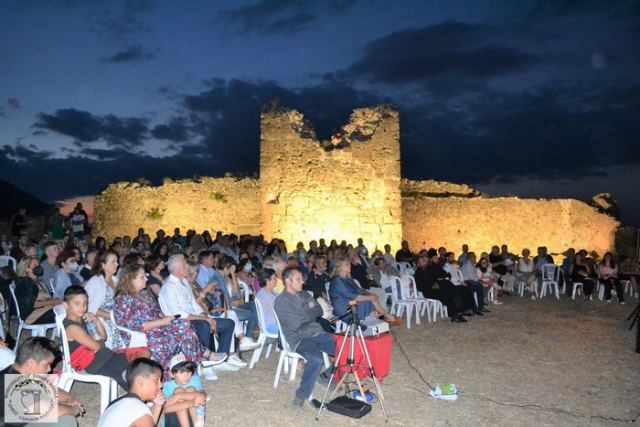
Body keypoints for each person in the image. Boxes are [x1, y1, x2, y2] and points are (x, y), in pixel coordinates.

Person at [113, 265, 226, 380]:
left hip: (156, 329)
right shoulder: (124, 299)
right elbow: (137, 326)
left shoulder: (142, 294)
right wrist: (163, 321)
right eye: (142, 277)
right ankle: (202, 358)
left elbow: (155, 313)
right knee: (184, 331)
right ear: (130, 280)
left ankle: (194, 366)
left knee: (185, 324)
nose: (146, 279)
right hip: (143, 335)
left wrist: (166, 318)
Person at [274, 267, 336, 408]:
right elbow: (295, 324)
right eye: (298, 279)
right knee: (316, 358)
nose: (302, 281)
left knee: (345, 348)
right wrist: (307, 311)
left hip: (316, 332)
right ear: (288, 281)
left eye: (301, 279)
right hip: (299, 338)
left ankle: (327, 376)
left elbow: (319, 310)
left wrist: (303, 313)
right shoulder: (281, 301)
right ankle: (302, 394)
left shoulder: (304, 294)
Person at [0, 337, 84, 427]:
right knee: (66, 421)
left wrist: (69, 399)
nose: (49, 369)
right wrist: (74, 409)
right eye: (47, 364)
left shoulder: (17, 372)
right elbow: (47, 410)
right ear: (30, 364)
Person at [62, 286, 130, 390]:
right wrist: (100, 343)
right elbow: (98, 346)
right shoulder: (72, 327)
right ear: (66, 305)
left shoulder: (82, 319)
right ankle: (139, 394)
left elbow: (103, 337)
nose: (82, 307)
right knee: (126, 372)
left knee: (133, 364)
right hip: (92, 363)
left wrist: (97, 321)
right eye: (77, 304)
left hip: (102, 356)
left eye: (85, 303)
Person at [97, 358, 166, 427]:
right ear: (140, 381)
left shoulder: (118, 403)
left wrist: (157, 406)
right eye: (157, 380)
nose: (161, 385)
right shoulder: (139, 409)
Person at [329, 258, 401, 324]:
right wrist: (369, 297)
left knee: (369, 298)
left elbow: (359, 290)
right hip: (343, 305)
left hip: (351, 301)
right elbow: (351, 295)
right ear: (340, 267)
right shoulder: (337, 280)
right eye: (347, 265)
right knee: (368, 299)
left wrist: (371, 295)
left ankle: (374, 321)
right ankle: (381, 317)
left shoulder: (348, 279)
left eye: (349, 264)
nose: (350, 265)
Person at [84, 250, 125, 350]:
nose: (117, 264)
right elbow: (87, 308)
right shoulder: (96, 282)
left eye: (117, 261)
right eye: (113, 262)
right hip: (103, 321)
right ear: (103, 264)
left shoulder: (115, 280)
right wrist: (112, 316)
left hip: (116, 317)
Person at [414, 251, 468, 322]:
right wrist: (432, 287)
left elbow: (435, 278)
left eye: (425, 260)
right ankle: (454, 315)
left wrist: (438, 283)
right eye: (422, 261)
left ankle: (459, 311)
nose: (424, 262)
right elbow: (420, 287)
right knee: (447, 293)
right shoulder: (418, 273)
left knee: (451, 288)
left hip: (435, 288)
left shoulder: (428, 269)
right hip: (428, 291)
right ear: (418, 264)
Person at [162, 353, 207, 427]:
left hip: (194, 418)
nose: (186, 375)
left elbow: (202, 396)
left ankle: (196, 423)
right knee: (178, 390)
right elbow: (165, 409)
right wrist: (190, 402)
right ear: (171, 374)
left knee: (190, 389)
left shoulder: (195, 379)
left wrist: (179, 396)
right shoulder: (167, 385)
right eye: (181, 372)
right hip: (174, 419)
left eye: (188, 371)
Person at [256, 268, 279, 334]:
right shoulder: (264, 295)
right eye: (274, 278)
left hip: (275, 322)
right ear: (267, 280)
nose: (276, 280)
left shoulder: (272, 291)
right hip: (271, 325)